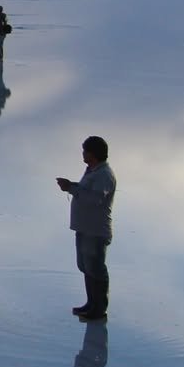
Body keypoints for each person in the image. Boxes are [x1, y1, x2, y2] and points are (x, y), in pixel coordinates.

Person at [56, 135, 116, 319]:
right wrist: (71, 185)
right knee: (86, 267)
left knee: (95, 269)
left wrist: (71, 188)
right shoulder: (92, 171)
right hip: (85, 229)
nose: (83, 154)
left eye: (85, 151)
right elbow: (87, 192)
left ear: (93, 153)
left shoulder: (104, 175)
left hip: (95, 232)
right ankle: (91, 304)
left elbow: (95, 199)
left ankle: (99, 309)